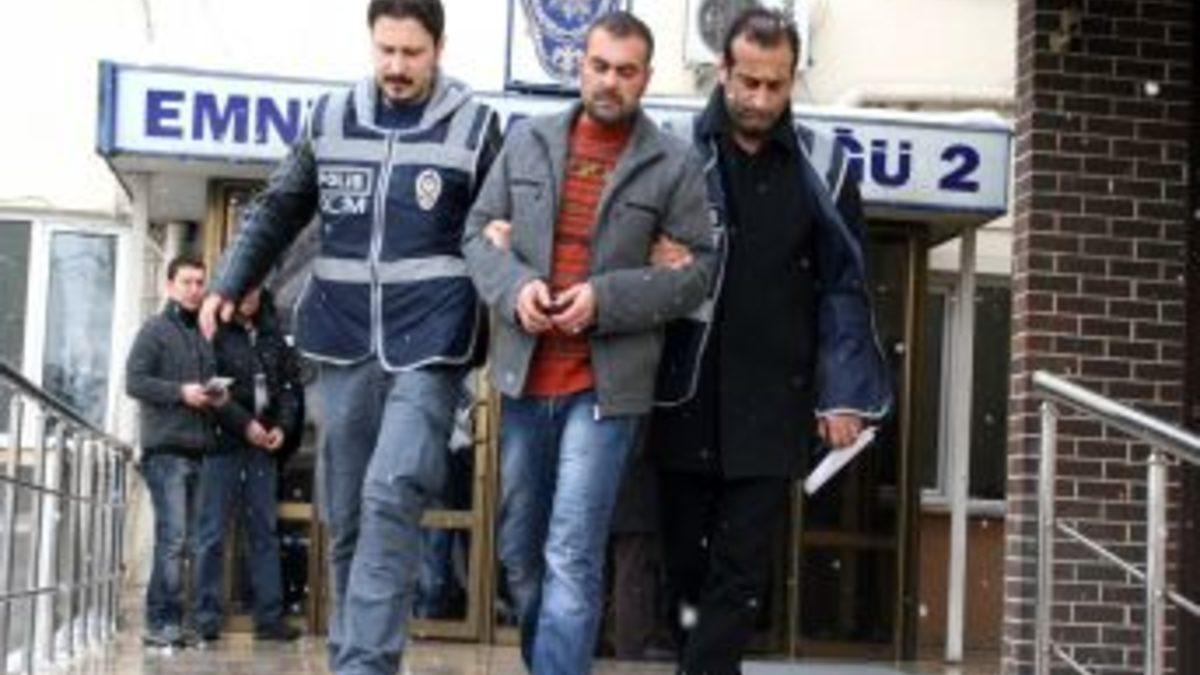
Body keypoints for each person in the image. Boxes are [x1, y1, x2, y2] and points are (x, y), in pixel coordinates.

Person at [197, 0, 501, 671]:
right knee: (348, 512)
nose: (396, 66)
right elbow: (279, 208)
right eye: (385, 50)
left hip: (432, 343)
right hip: (344, 341)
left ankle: (365, 662)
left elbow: (503, 222)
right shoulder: (330, 119)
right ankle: (353, 653)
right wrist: (228, 280)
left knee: (393, 490)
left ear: (439, 48)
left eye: (411, 53)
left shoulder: (476, 128)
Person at [462, 12, 715, 674]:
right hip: (524, 380)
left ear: (646, 78)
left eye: (626, 71)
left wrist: (605, 299)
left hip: (606, 390)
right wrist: (515, 286)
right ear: (581, 66)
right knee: (521, 555)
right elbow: (475, 233)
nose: (610, 81)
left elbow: (699, 272)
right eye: (600, 66)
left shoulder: (674, 163)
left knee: (571, 550)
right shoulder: (526, 141)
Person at [648, 8, 892, 675]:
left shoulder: (825, 166)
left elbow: (845, 286)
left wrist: (845, 391)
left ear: (792, 80)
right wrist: (648, 257)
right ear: (722, 70)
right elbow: (622, 248)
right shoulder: (673, 152)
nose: (760, 99)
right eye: (748, 82)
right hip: (683, 396)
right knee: (685, 571)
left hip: (773, 404)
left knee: (739, 571)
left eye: (775, 85)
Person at [193, 286, 304, 642]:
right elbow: (210, 389)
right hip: (222, 445)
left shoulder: (273, 336)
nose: (249, 296)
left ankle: (269, 618)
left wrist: (282, 428)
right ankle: (205, 619)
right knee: (211, 533)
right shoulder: (215, 331)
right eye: (244, 289)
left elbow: (289, 390)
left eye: (255, 290)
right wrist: (245, 425)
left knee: (264, 533)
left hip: (262, 449)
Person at [125, 254, 223, 648]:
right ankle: (160, 622)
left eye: (200, 282)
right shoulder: (154, 330)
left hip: (200, 450)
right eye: (187, 282)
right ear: (170, 286)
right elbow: (134, 381)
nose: (195, 290)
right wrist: (180, 392)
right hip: (166, 451)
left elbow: (200, 390)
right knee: (173, 540)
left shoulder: (201, 335)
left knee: (194, 542)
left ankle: (182, 622)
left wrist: (215, 396)